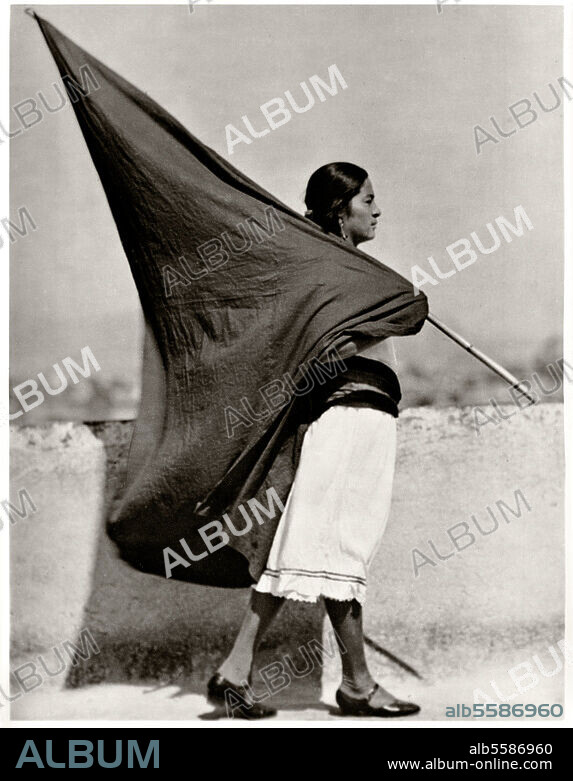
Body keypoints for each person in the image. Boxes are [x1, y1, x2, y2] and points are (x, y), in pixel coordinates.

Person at [207, 163, 421, 720]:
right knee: (329, 550)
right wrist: (400, 299)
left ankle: (256, 671)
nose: (377, 210)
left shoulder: (348, 271)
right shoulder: (332, 276)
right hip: (347, 422)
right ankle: (352, 685)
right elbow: (393, 319)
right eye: (368, 200)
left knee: (315, 552)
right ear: (339, 209)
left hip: (363, 421)